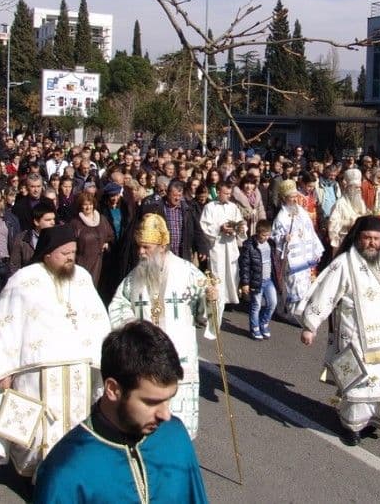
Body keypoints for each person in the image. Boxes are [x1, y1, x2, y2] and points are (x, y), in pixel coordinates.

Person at [0, 226, 111, 477]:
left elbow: (97, 318)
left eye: (73, 252)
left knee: (76, 423)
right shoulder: (23, 281)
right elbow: (5, 325)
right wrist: (3, 369)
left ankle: (73, 472)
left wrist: (105, 358)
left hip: (77, 368)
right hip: (37, 371)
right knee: (39, 429)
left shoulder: (82, 278)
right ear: (47, 253)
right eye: (64, 252)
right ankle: (38, 475)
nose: (70, 257)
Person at [33, 321, 209, 503]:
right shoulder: (66, 470)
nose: (165, 415)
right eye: (151, 402)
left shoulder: (175, 435)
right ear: (113, 389)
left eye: (168, 399)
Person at [300, 216, 380, 446]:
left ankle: (373, 419)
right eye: (367, 238)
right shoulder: (344, 263)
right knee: (358, 379)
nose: (372, 243)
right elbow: (326, 294)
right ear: (358, 238)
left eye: (376, 239)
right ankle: (351, 425)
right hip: (354, 331)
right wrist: (310, 326)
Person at [108, 214, 215, 439]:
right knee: (145, 424)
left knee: (177, 425)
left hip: (179, 358)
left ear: (162, 246)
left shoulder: (187, 273)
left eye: (146, 247)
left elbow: (204, 314)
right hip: (144, 358)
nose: (141, 252)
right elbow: (119, 305)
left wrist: (211, 298)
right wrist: (132, 326)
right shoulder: (134, 277)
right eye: (139, 247)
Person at [271, 179, 324, 318]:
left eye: (296, 196)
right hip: (292, 259)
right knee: (293, 284)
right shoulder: (281, 217)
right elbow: (275, 236)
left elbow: (310, 231)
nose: (295, 199)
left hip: (305, 256)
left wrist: (316, 249)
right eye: (291, 197)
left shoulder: (301, 211)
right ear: (284, 198)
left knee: (305, 283)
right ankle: (291, 313)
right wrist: (283, 239)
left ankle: (301, 310)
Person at [199, 181, 246, 320]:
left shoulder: (233, 207)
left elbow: (240, 223)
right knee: (216, 276)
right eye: (226, 193)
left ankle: (224, 304)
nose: (228, 196)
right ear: (218, 192)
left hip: (230, 246)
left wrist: (239, 228)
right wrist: (219, 228)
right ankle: (212, 308)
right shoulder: (209, 207)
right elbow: (204, 226)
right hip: (217, 247)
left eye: (230, 194)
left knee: (231, 275)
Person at [239, 219, 278, 340]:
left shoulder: (270, 243)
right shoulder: (249, 245)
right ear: (257, 233)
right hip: (256, 280)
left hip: (268, 279)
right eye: (263, 235)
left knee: (272, 303)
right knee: (256, 305)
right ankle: (255, 328)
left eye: (268, 235)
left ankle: (264, 323)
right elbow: (244, 265)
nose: (266, 237)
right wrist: (245, 283)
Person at [69, 191, 115, 289]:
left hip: (100, 262)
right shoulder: (75, 223)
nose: (88, 207)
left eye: (90, 204)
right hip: (83, 262)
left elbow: (110, 235)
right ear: (80, 206)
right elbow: (71, 244)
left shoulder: (102, 219)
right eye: (85, 205)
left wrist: (106, 243)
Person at [327, 168, 369, 254]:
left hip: (359, 241)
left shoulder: (360, 202)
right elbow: (332, 225)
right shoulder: (340, 204)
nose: (358, 190)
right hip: (344, 242)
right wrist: (348, 222)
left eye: (359, 188)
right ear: (348, 188)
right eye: (355, 187)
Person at [9, 200, 58, 274]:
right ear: (36, 222)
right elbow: (14, 266)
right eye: (48, 220)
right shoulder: (22, 239)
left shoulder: (58, 238)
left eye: (53, 219)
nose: (53, 223)